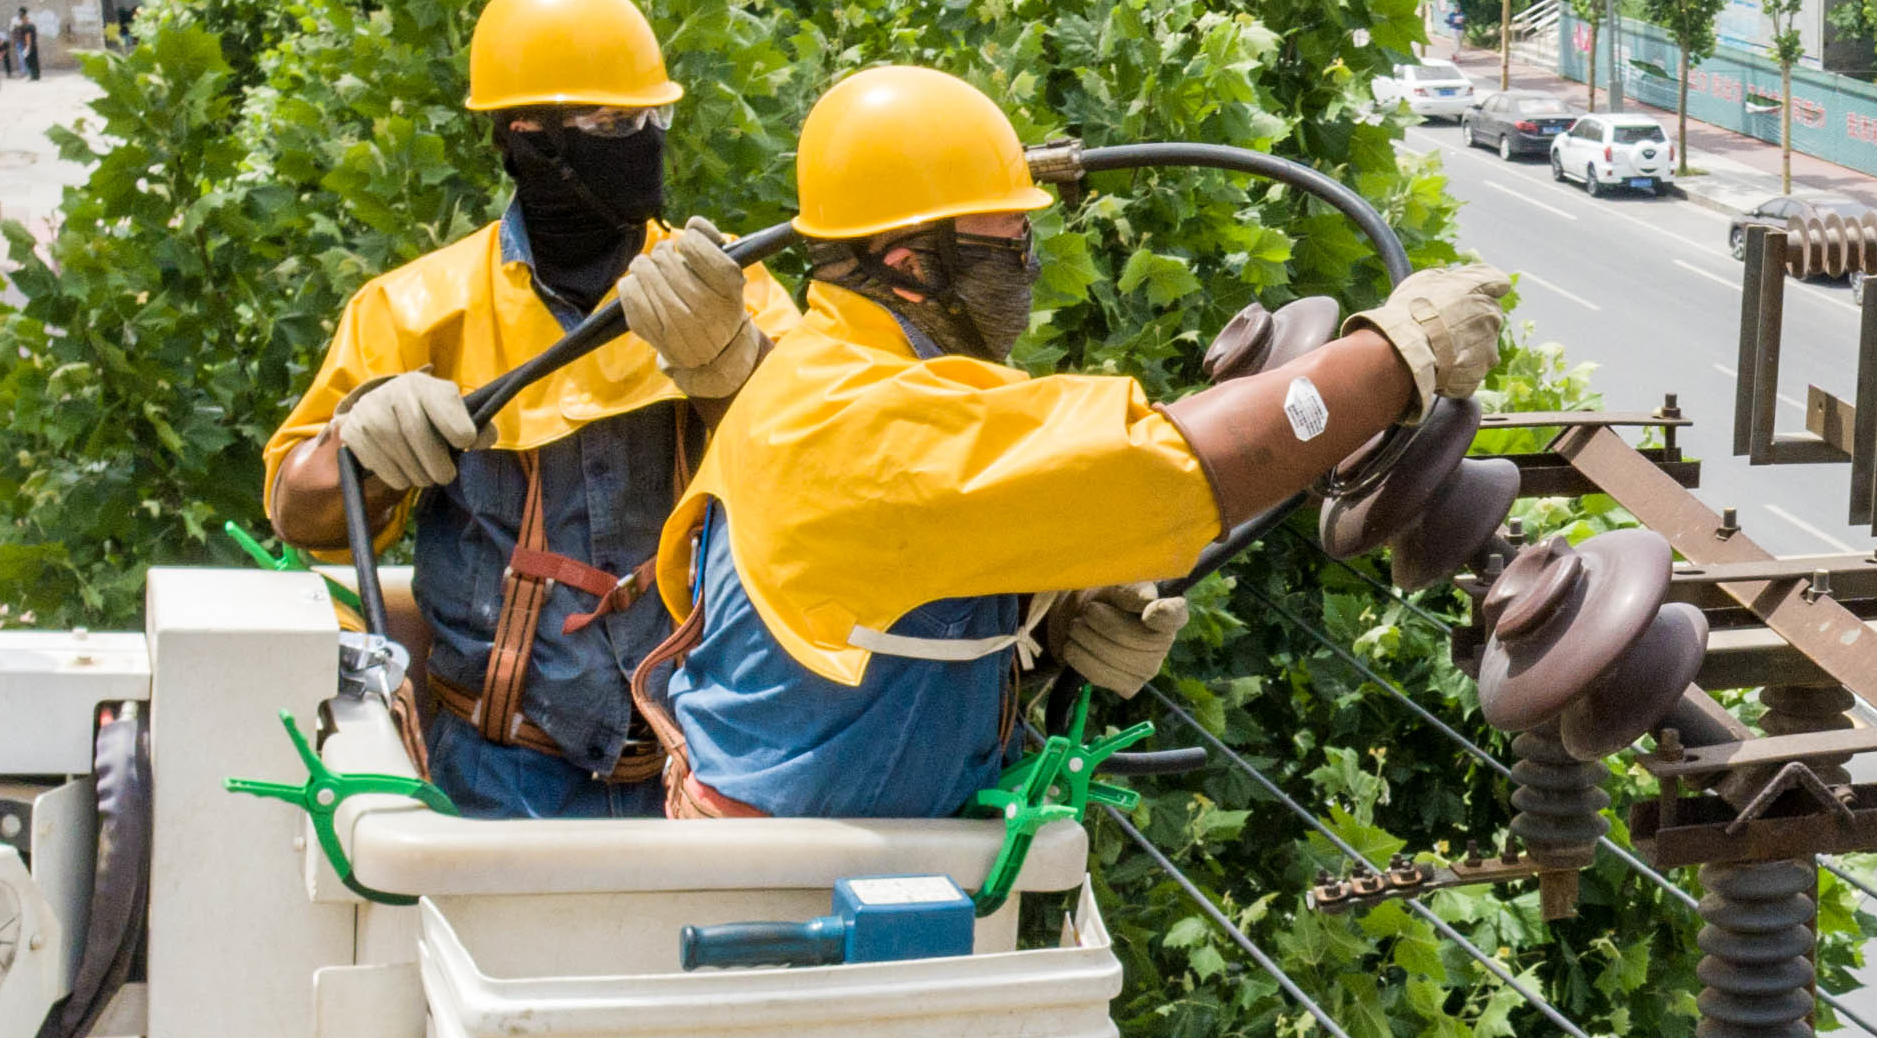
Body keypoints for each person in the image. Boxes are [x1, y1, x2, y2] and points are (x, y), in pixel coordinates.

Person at [639, 63, 1509, 821]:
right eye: (1006, 237)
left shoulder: (846, 375)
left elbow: (890, 606)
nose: (1026, 258)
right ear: (908, 262)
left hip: (839, 860)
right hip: (779, 901)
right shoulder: (861, 420)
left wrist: (1044, 626)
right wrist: (1399, 356)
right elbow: (1162, 467)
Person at [264, 0, 796, 818]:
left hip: (705, 765)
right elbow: (301, 513)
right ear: (525, 136)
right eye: (612, 125)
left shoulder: (725, 290)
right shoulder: (420, 311)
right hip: (502, 776)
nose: (642, 143)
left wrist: (737, 369)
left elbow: (825, 474)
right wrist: (362, 451)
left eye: (649, 121)